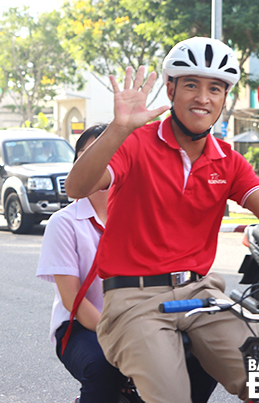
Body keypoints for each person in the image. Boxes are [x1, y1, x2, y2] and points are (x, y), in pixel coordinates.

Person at [64, 37, 259, 403]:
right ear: (171, 89)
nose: (203, 97)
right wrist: (118, 129)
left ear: (224, 98)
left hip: (201, 295)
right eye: (192, 85)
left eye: (215, 88)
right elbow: (76, 187)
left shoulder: (228, 160)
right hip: (134, 298)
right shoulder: (135, 142)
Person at [38, 124, 217, 403]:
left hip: (145, 318)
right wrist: (126, 335)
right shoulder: (64, 223)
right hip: (82, 329)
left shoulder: (148, 217)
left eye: (110, 153)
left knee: (205, 356)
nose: (100, 162)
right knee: (103, 368)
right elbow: (74, 301)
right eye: (89, 154)